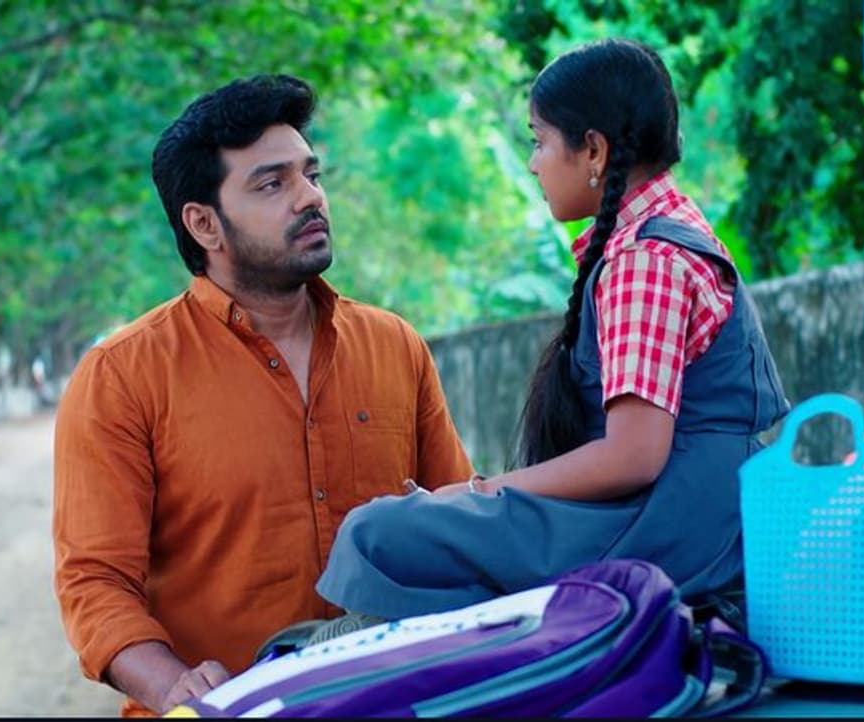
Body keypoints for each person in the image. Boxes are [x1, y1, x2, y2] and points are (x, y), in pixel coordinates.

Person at [316, 38, 790, 620]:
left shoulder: (644, 259)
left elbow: (634, 456)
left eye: (539, 142)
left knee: (379, 532)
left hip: (670, 525)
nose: (533, 163)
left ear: (593, 150)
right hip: (685, 513)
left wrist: (484, 490)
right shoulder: (664, 230)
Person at [52, 74, 474, 717]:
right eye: (272, 184)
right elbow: (95, 582)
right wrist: (175, 687)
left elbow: (458, 521)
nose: (310, 197)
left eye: (311, 174)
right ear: (204, 224)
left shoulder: (395, 345)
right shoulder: (123, 375)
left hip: (392, 701)